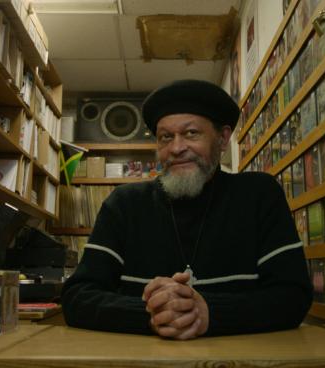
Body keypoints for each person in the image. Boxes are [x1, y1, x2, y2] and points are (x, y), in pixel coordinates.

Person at [61, 79, 312, 340]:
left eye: (191, 133)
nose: (177, 148)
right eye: (166, 137)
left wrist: (209, 312)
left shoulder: (259, 195)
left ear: (223, 138)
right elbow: (76, 297)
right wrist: (153, 312)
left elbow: (293, 296)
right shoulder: (124, 204)